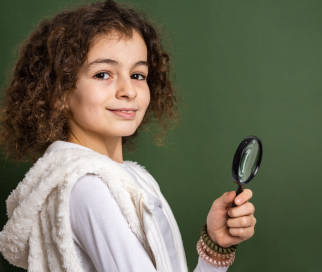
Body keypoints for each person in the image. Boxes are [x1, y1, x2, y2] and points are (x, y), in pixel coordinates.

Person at [0, 0, 256, 271]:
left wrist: (215, 247)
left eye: (137, 74)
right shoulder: (87, 187)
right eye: (102, 74)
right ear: (60, 92)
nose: (128, 90)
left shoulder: (134, 179)